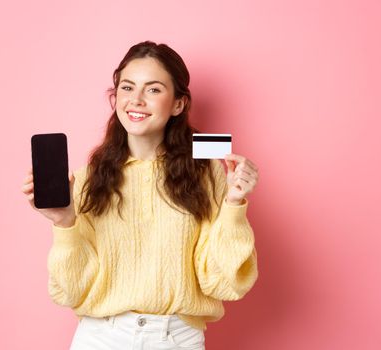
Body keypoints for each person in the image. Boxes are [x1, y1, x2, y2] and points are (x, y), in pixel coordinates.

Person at [21, 41, 259, 350]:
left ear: (178, 104)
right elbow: (70, 291)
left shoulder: (207, 173)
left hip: (176, 339)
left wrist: (234, 204)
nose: (136, 100)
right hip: (101, 338)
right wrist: (64, 222)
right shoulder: (85, 180)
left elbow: (222, 281)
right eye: (127, 88)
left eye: (154, 90)